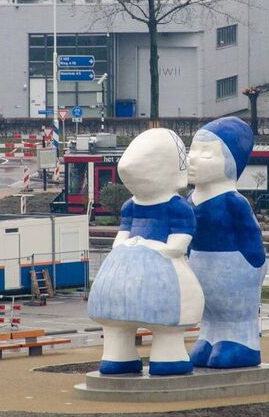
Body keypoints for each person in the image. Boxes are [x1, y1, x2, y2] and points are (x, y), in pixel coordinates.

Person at [86, 128, 204, 375]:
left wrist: (171, 248)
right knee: (116, 318)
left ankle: (168, 356)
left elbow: (182, 236)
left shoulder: (176, 206)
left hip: (162, 264)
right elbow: (124, 230)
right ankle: (118, 356)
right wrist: (122, 244)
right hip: (127, 263)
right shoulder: (131, 205)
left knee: (165, 315)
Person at [186, 117, 266, 368]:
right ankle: (208, 338)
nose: (193, 159)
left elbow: (251, 237)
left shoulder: (234, 201)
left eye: (206, 154)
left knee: (234, 312)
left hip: (234, 264)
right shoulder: (190, 198)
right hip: (201, 264)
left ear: (230, 164)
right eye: (192, 151)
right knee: (209, 311)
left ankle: (242, 343)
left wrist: (253, 266)